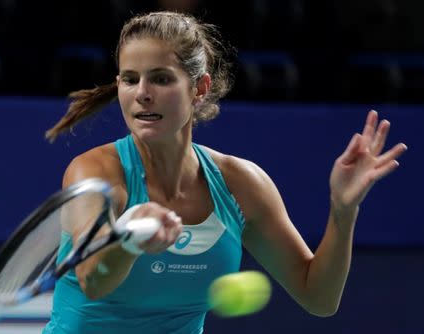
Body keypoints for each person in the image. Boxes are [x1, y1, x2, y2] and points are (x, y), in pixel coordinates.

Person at [42, 11, 407, 334]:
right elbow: (92, 278)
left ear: (199, 88)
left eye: (161, 79)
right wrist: (130, 239)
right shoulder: (96, 172)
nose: (142, 94)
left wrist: (343, 211)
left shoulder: (240, 185)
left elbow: (319, 298)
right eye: (129, 79)